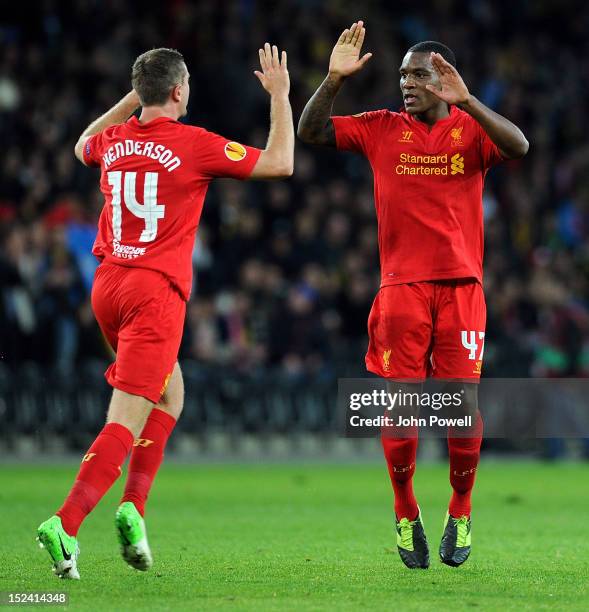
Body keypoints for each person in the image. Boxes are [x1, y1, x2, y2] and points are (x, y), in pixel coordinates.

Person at [37, 44, 294, 579]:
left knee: (171, 393)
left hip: (108, 286)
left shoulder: (115, 140)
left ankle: (134, 507)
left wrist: (132, 99)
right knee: (125, 420)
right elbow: (280, 162)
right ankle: (65, 523)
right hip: (154, 293)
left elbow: (81, 141)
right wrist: (280, 97)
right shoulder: (194, 144)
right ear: (178, 91)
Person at [298, 21, 528, 569]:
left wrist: (468, 100)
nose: (406, 83)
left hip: (461, 288)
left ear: (443, 78)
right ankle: (406, 511)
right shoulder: (380, 128)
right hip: (400, 289)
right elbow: (311, 132)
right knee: (400, 411)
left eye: (419, 75)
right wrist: (332, 80)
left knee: (459, 410)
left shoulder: (471, 133)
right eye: (402, 75)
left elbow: (520, 146)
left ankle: (461, 509)